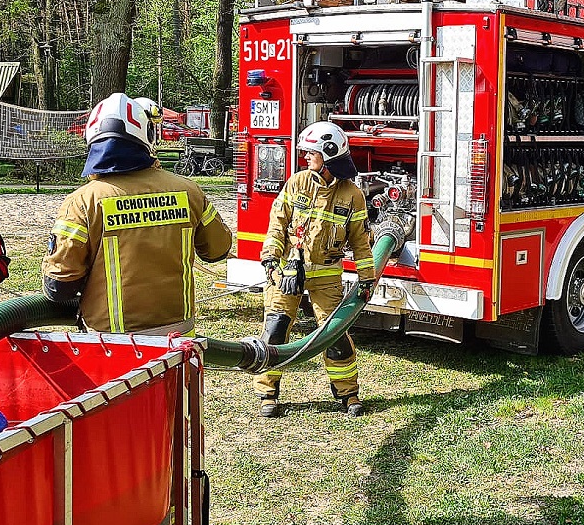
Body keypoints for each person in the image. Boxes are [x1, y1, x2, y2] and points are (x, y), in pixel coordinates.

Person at [41, 92, 232, 336]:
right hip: (178, 336)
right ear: (146, 137)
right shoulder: (189, 191)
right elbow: (218, 250)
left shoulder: (82, 202)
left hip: (113, 343)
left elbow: (59, 286)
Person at [254, 121, 375, 418]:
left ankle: (348, 393)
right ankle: (268, 394)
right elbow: (277, 224)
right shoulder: (297, 183)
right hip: (287, 273)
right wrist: (270, 260)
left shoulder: (352, 195)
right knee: (275, 330)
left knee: (335, 335)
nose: (306, 157)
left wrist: (366, 279)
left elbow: (361, 241)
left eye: (312, 152)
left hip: (327, 278)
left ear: (329, 154)